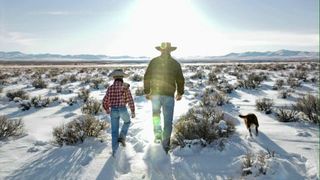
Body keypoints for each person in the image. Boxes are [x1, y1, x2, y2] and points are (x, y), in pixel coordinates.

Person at [144, 42, 185, 153]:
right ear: (170, 51)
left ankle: (158, 139)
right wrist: (180, 92)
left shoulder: (154, 62)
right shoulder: (175, 63)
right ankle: (165, 144)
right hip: (168, 96)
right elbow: (180, 79)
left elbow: (147, 76)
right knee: (168, 121)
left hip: (156, 94)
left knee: (156, 116)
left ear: (160, 50)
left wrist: (147, 91)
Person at [102, 69, 135, 157]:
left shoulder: (110, 88)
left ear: (114, 78)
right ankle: (122, 136)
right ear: (122, 78)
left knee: (114, 131)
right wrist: (132, 111)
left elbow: (105, 100)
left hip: (113, 110)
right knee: (127, 122)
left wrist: (107, 109)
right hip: (123, 109)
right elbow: (130, 99)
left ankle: (115, 152)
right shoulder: (125, 87)